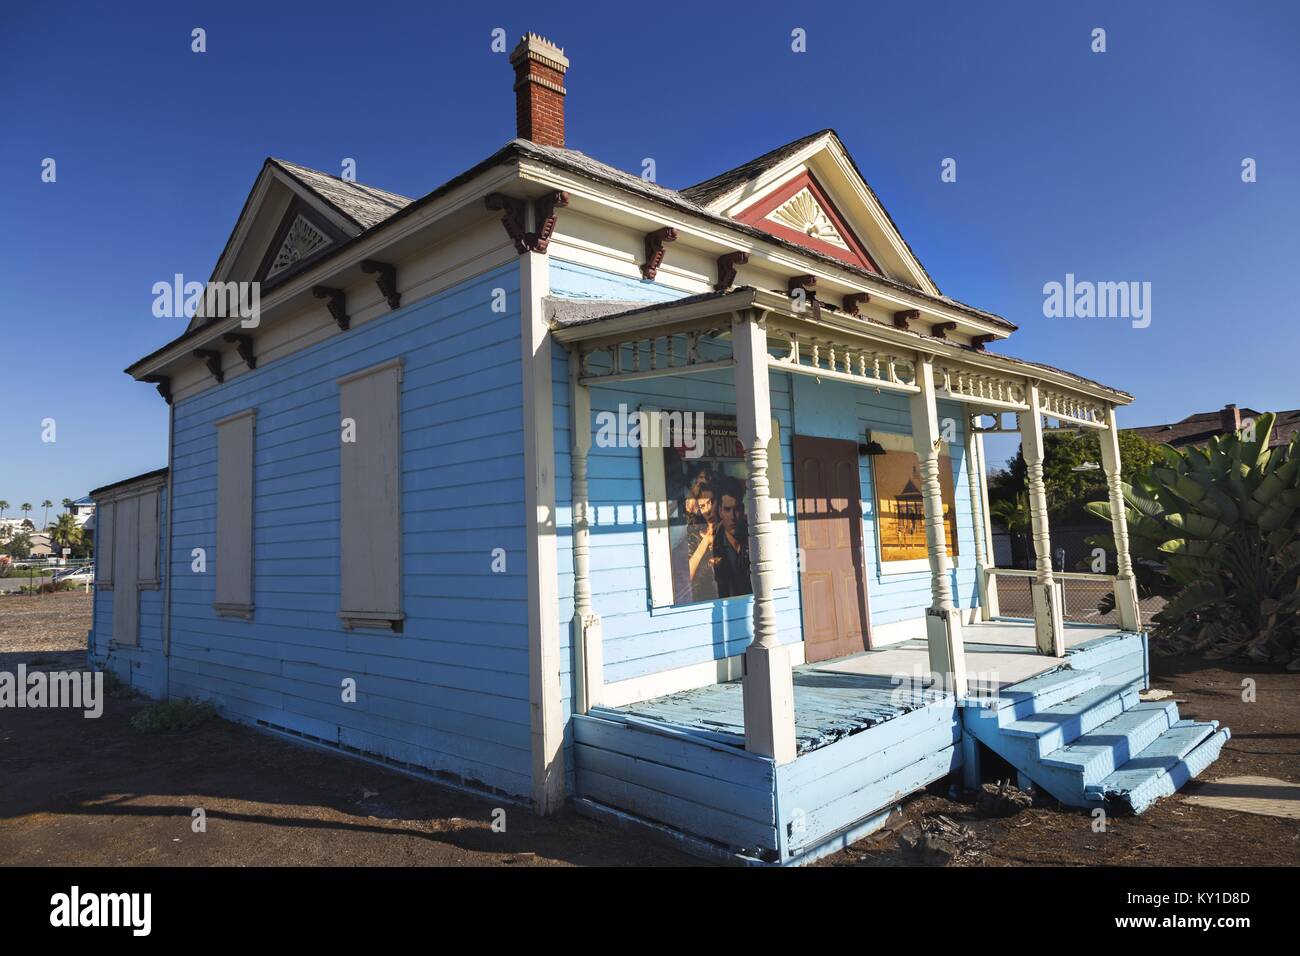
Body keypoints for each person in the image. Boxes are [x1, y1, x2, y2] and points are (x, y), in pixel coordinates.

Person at [670, 469, 719, 604]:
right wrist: (706, 541)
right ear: (698, 509)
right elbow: (687, 575)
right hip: (701, 601)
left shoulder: (726, 528)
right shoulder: (693, 536)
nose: (708, 509)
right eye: (703, 505)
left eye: (711, 502)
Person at [711, 476, 751, 597]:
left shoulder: (753, 535)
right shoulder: (715, 544)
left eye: (737, 509)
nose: (732, 516)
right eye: (727, 509)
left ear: (743, 509)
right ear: (720, 511)